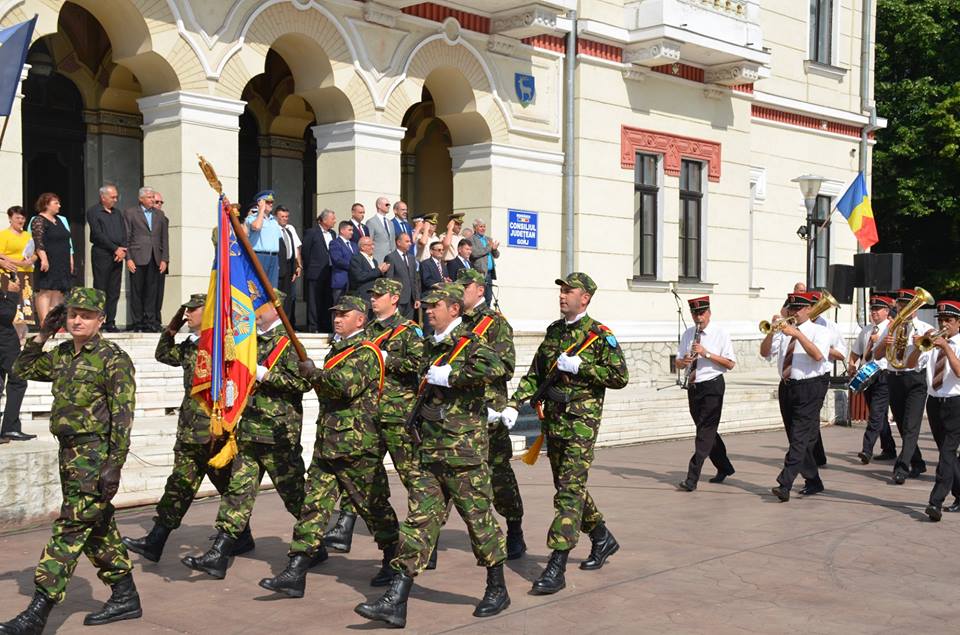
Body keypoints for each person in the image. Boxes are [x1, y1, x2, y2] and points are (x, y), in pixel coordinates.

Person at [355, 283, 510, 628]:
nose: (427, 311)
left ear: (454, 309)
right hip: (429, 451)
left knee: (478, 521)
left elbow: (497, 369)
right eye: (425, 306)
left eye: (434, 305)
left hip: (463, 453)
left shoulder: (471, 343)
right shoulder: (428, 346)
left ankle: (497, 587)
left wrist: (453, 376)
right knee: (419, 522)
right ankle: (396, 600)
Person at [1, 288, 140, 632]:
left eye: (86, 316)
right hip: (68, 452)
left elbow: (123, 416)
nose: (78, 320)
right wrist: (42, 334)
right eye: (73, 314)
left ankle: (38, 612)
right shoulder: (62, 353)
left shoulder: (113, 359)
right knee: (97, 524)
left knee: (71, 527)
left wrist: (114, 464)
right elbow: (20, 367)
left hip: (94, 454)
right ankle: (125, 595)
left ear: (101, 320)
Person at [259, 295, 401, 598]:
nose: (337, 318)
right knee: (313, 507)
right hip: (329, 443)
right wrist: (315, 375)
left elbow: (343, 386)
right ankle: (296, 570)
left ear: (360, 320)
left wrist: (313, 373)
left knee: (373, 508)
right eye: (335, 314)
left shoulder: (366, 352)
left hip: (356, 447)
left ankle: (394, 558)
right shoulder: (339, 350)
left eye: (344, 314)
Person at [501, 272, 629, 595]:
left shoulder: (600, 335)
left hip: (581, 425)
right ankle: (601, 536)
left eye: (569, 291)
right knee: (568, 486)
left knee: (568, 493)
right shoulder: (555, 332)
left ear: (584, 298)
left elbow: (620, 376)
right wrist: (514, 404)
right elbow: (536, 374)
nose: (562, 295)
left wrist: (581, 367)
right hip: (554, 421)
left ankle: (556, 565)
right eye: (561, 291)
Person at [181, 293, 310, 579]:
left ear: (275, 309)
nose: (253, 309)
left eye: (259, 305)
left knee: (295, 497)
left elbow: (303, 383)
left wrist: (265, 376)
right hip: (250, 431)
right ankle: (218, 555)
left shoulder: (289, 343)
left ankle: (314, 544)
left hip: (278, 434)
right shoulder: (248, 342)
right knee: (237, 494)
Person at [121, 294, 244, 562]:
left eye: (191, 310)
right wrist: (172, 327)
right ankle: (155, 541)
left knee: (225, 486)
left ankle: (242, 537)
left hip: (213, 431)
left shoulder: (221, 347)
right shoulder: (190, 346)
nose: (186, 314)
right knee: (181, 485)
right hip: (190, 429)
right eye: (185, 311)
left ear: (208, 312)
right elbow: (163, 354)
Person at [324, 279, 424, 555]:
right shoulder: (365, 331)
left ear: (394, 298)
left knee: (412, 476)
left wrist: (386, 358)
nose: (373, 299)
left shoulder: (408, 330)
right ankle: (344, 528)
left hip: (397, 416)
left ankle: (425, 536)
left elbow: (418, 363)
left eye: (379, 295)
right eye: (372, 295)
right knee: (360, 474)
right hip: (367, 416)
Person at [456, 268, 525, 558]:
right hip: (458, 413)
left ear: (479, 290)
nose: (460, 291)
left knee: (499, 475)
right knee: (450, 473)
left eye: (465, 286)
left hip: (488, 412)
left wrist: (465, 373)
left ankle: (514, 528)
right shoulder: (455, 322)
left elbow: (505, 366)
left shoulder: (494, 323)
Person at [763, 292, 832, 502]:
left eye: (798, 309)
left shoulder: (820, 331)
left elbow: (818, 355)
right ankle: (813, 480)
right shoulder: (783, 331)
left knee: (799, 437)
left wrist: (798, 335)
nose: (793, 312)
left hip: (810, 386)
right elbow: (765, 353)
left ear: (809, 309)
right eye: (791, 308)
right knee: (797, 438)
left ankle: (784, 484)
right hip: (787, 386)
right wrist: (771, 332)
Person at [675, 296, 737, 491]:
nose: (698, 317)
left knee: (704, 432)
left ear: (709, 313)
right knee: (706, 431)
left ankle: (692, 478)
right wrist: (683, 361)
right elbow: (677, 362)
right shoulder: (688, 334)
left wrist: (705, 353)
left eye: (701, 313)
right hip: (694, 387)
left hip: (713, 385)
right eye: (695, 314)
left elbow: (730, 364)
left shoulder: (720, 333)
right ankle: (724, 467)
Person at [873, 288, 934, 484]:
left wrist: (919, 345)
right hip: (894, 378)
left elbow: (924, 358)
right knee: (901, 424)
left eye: (906, 305)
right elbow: (877, 355)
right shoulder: (891, 327)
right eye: (899, 304)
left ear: (915, 307)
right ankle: (918, 462)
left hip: (915, 379)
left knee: (911, 425)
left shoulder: (925, 329)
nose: (902, 308)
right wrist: (885, 343)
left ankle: (901, 467)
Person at [911, 301, 960, 521]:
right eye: (941, 320)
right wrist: (917, 346)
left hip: (956, 402)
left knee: (947, 453)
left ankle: (935, 502)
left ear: (958, 323)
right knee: (946, 454)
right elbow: (910, 364)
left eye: (948, 320)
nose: (943, 325)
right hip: (934, 402)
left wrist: (946, 347)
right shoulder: (930, 343)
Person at [848, 295, 898, 463]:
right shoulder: (867, 329)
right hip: (867, 374)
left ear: (886, 311)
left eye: (877, 309)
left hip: (883, 374)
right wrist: (851, 364)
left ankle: (866, 450)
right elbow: (856, 351)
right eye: (872, 309)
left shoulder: (892, 328)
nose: (874, 312)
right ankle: (889, 448)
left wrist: (879, 342)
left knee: (876, 415)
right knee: (879, 415)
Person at [123, 186, 168, 333]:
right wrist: (128, 258)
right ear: (141, 199)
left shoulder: (159, 214)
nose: (152, 200)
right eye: (149, 197)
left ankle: (150, 322)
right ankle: (137, 322)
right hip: (137, 257)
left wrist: (164, 259)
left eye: (153, 197)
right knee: (137, 291)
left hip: (155, 257)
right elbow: (126, 237)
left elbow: (164, 239)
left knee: (152, 291)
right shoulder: (130, 213)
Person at [86, 185, 127, 333]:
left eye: (116, 197)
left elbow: (124, 232)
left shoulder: (117, 213)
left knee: (114, 290)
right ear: (103, 197)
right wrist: (115, 248)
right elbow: (98, 234)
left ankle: (111, 321)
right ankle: (99, 321)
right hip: (102, 253)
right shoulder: (94, 212)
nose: (115, 200)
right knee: (101, 288)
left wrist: (122, 249)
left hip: (118, 255)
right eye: (112, 197)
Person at [30, 193, 73, 325]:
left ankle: (53, 323)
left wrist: (71, 259)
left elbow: (68, 241)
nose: (59, 206)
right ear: (46, 204)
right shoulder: (39, 220)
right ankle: (44, 322)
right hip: (49, 260)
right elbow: (38, 242)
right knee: (46, 290)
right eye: (56, 203)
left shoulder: (59, 220)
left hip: (62, 260)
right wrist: (44, 259)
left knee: (58, 290)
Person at [0, 276, 33, 442]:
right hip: (4, 340)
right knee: (18, 380)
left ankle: (10, 427)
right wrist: (12, 294)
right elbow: (5, 314)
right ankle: (10, 427)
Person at [0, 205, 37, 331]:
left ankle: (21, 337)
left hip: (25, 274)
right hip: (9, 275)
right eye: (17, 218)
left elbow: (34, 253)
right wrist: (17, 262)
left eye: (23, 218)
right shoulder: (3, 235)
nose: (20, 220)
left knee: (24, 310)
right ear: (10, 218)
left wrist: (31, 260)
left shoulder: (27, 235)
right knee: (10, 309)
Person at [302, 209, 337, 333]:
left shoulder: (333, 234)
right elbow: (306, 252)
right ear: (324, 220)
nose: (335, 221)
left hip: (329, 271)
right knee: (314, 300)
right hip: (315, 272)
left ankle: (325, 325)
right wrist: (310, 267)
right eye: (332, 219)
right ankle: (313, 326)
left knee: (327, 299)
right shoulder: (312, 232)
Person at [244, 190, 281, 288]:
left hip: (273, 257)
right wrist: (261, 211)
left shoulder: (274, 220)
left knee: (272, 289)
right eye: (267, 202)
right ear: (260, 203)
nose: (271, 204)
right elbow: (256, 226)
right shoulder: (252, 218)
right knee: (257, 287)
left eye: (272, 202)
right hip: (259, 256)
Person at [276, 206, 303, 324]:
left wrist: (298, 265)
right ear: (276, 217)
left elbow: (296, 248)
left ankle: (287, 324)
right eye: (282, 216)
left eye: (286, 216)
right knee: (278, 296)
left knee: (288, 297)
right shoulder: (273, 229)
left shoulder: (289, 229)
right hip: (278, 266)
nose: (285, 219)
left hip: (289, 266)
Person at [384, 233, 420, 319]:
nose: (410, 243)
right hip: (398, 300)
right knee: (396, 323)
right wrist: (391, 297)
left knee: (408, 324)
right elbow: (389, 279)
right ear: (399, 242)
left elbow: (415, 279)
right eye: (407, 241)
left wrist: (417, 298)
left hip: (411, 300)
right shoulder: (391, 257)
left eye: (410, 241)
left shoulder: (411, 258)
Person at [348, 235, 390, 302]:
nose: (373, 247)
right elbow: (360, 276)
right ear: (362, 247)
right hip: (362, 295)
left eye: (373, 244)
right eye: (369, 245)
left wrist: (383, 271)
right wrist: (379, 270)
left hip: (373, 295)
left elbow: (375, 275)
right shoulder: (356, 259)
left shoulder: (374, 261)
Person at [469, 219, 499, 305]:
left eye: (484, 226)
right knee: (479, 298)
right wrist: (489, 247)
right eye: (481, 226)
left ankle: (487, 314)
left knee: (488, 298)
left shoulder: (488, 239)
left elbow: (496, 255)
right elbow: (474, 254)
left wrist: (494, 249)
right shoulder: (471, 239)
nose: (483, 228)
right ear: (475, 228)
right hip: (479, 273)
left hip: (489, 273)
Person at [329, 220, 356, 306]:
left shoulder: (354, 245)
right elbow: (338, 260)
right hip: (341, 281)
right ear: (342, 230)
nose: (352, 232)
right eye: (349, 230)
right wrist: (354, 266)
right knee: (339, 307)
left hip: (353, 282)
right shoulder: (335, 243)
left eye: (352, 230)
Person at [369, 196, 397, 264]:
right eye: (386, 204)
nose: (389, 206)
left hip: (392, 260)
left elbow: (392, 242)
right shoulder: (371, 222)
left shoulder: (390, 223)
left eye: (389, 205)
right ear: (379, 205)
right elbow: (369, 242)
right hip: (378, 259)